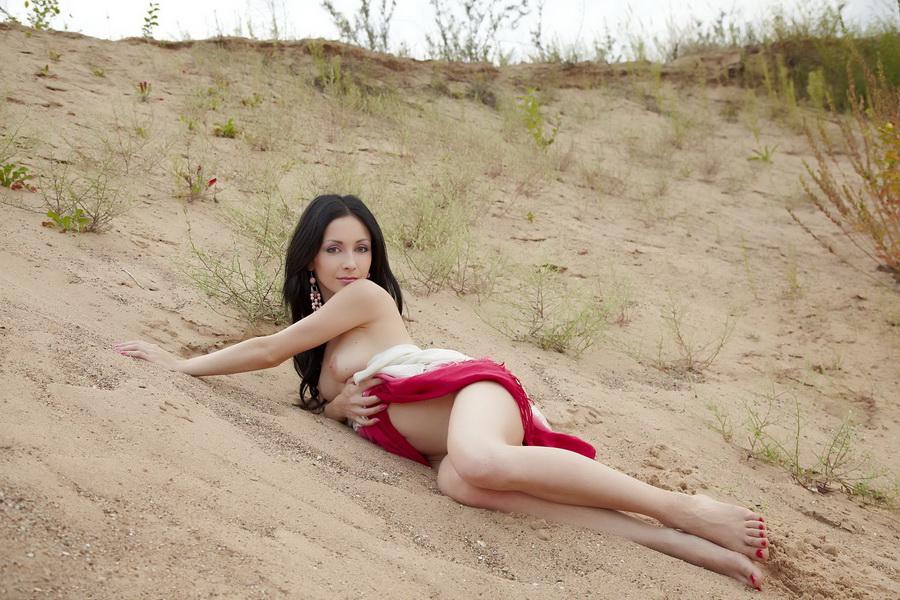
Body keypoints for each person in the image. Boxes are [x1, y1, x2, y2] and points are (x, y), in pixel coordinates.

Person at [115, 194, 768, 590]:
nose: (350, 263)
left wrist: (178, 365)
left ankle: (680, 508)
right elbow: (335, 394)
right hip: (442, 444)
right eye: (334, 249)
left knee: (477, 460)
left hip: (473, 394)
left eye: (362, 249)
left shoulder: (366, 298)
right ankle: (670, 542)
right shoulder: (327, 341)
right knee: (461, 482)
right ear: (310, 257)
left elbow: (265, 350)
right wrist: (335, 408)